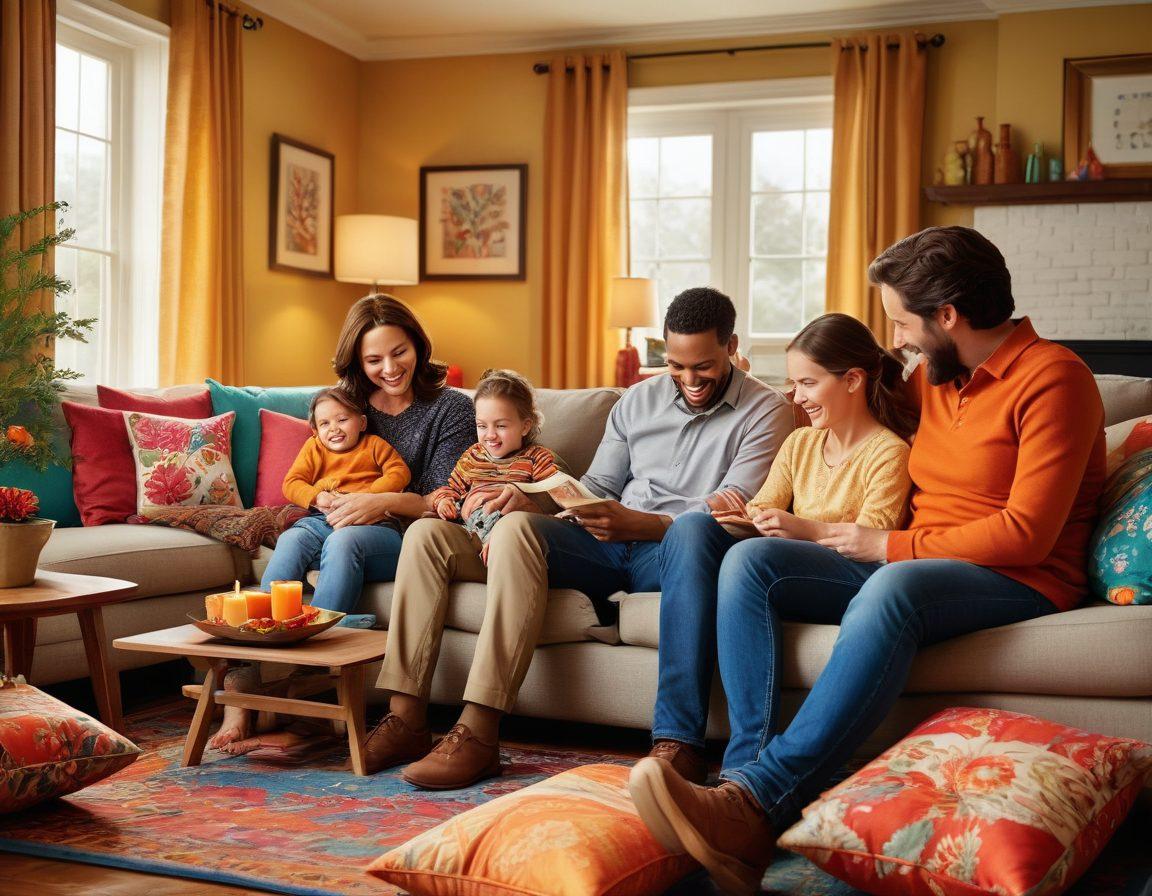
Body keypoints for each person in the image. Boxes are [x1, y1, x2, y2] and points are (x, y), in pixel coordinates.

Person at [628, 226, 1108, 895]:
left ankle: (758, 801)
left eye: (903, 323)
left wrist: (886, 544)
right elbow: (851, 401)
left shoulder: (1055, 379)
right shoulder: (937, 376)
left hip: (1017, 576)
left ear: (948, 316)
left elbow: (1027, 533)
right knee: (753, 560)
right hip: (915, 560)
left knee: (895, 589)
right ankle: (739, 792)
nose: (899, 341)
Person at [362, 286, 794, 789]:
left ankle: (676, 742)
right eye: (677, 366)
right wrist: (534, 498)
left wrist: (646, 524)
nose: (689, 380)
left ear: (731, 346)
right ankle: (419, 719)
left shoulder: (767, 410)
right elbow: (599, 486)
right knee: (437, 533)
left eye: (704, 366)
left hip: (676, 549)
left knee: (695, 528)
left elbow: (732, 504)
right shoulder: (637, 400)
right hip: (603, 541)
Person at [648, 312, 917, 782]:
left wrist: (802, 528)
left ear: (852, 380)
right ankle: (678, 742)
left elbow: (874, 537)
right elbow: (766, 502)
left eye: (808, 383)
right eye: (793, 383)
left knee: (751, 558)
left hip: (858, 576)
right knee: (697, 528)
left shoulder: (889, 452)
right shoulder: (799, 444)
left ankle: (746, 764)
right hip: (795, 562)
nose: (796, 396)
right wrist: (746, 515)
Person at [208, 294, 475, 752]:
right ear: (357, 359)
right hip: (332, 522)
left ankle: (302, 699)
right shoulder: (345, 407)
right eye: (374, 359)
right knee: (295, 543)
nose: (389, 368)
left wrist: (383, 501)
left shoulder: (450, 409)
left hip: (408, 535)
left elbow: (447, 498)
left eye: (400, 352)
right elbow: (301, 474)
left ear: (419, 346)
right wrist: (323, 500)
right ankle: (244, 682)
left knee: (346, 543)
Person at [367, 369, 563, 788]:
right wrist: (442, 503)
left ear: (526, 425)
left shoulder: (539, 459)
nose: (490, 435)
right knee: (421, 533)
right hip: (473, 543)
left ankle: (478, 732)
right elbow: (446, 491)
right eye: (483, 425)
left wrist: (528, 503)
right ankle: (405, 717)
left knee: (513, 529)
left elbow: (565, 505)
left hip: (515, 547)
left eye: (502, 425)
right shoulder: (472, 457)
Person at [261, 386, 412, 617]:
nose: (334, 429)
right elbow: (292, 483)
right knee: (292, 538)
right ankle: (266, 617)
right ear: (315, 431)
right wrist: (317, 496)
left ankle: (324, 620)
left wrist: (367, 496)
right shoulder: (315, 447)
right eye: (325, 424)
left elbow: (399, 473)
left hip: (373, 524)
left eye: (342, 419)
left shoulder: (373, 445)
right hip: (323, 520)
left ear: (361, 423)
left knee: (342, 540)